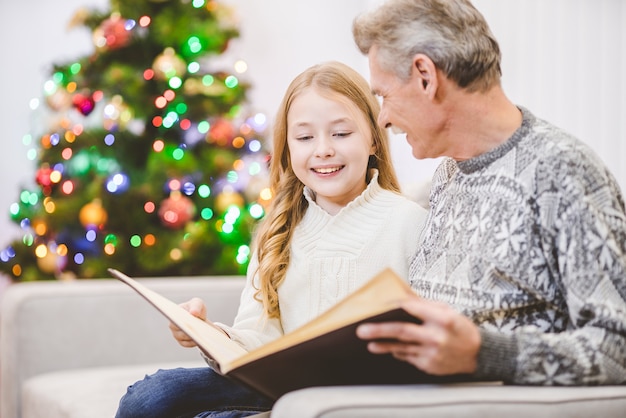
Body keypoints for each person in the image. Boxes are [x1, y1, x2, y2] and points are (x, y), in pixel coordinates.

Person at [115, 61, 428, 418]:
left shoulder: (409, 223)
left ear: (373, 137)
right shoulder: (278, 230)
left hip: (365, 393)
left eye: (341, 133)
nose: (323, 149)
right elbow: (259, 337)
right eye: (305, 137)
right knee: (148, 397)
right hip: (283, 388)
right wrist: (209, 334)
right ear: (288, 148)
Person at [352, 0, 626, 386]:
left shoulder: (562, 171)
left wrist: (485, 354)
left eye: (383, 95)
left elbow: (618, 347)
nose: (383, 118)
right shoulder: (449, 173)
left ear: (425, 76)